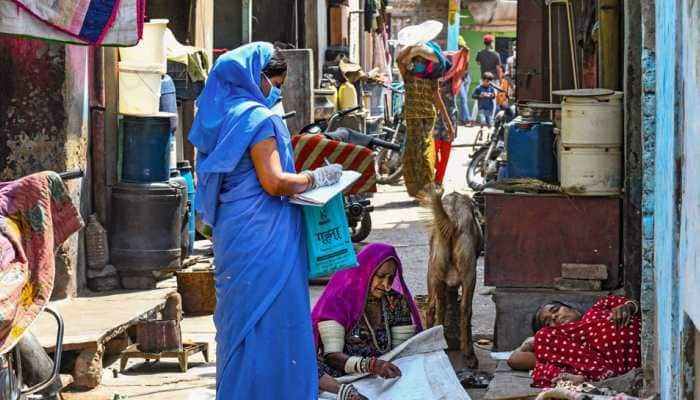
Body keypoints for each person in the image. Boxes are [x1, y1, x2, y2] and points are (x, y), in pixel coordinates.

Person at [188, 42, 344, 399]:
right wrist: (317, 178)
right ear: (253, 77)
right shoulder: (258, 119)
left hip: (234, 232)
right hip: (265, 237)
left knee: (241, 323)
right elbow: (274, 182)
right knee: (275, 318)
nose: (275, 90)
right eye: (273, 82)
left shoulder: (215, 118)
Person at [312, 243, 423, 396]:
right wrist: (371, 365)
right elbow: (332, 356)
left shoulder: (395, 301)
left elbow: (402, 351)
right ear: (366, 271)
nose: (386, 285)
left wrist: (389, 369)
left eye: (391, 278)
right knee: (304, 365)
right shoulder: (339, 300)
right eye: (381, 276)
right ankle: (344, 393)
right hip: (344, 375)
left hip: (383, 375)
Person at [507, 295, 641, 388]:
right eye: (548, 322)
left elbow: (636, 304)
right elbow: (514, 360)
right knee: (543, 344)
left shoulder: (598, 308)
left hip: (643, 346)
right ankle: (604, 379)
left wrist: (628, 307)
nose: (554, 317)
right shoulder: (564, 350)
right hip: (613, 371)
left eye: (555, 310)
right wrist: (530, 342)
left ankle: (602, 381)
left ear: (572, 308)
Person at [396, 42, 455, 197]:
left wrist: (448, 123)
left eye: (423, 60)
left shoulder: (431, 76)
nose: (420, 63)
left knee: (425, 153)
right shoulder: (407, 73)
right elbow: (398, 60)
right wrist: (413, 44)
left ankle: (428, 188)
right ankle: (416, 190)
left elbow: (437, 97)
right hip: (412, 117)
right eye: (418, 60)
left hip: (428, 116)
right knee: (413, 153)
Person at [433, 52, 459, 186]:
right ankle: (437, 177)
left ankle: (439, 179)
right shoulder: (433, 79)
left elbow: (460, 68)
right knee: (437, 150)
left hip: (446, 118)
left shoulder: (453, 79)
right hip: (440, 118)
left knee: (441, 150)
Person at [446, 35, 472, 125]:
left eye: (461, 46)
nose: (461, 48)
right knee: (463, 99)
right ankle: (467, 119)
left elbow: (467, 60)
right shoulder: (455, 55)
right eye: (459, 46)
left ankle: (463, 118)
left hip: (466, 77)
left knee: (463, 99)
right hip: (459, 78)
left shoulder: (465, 53)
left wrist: (464, 49)